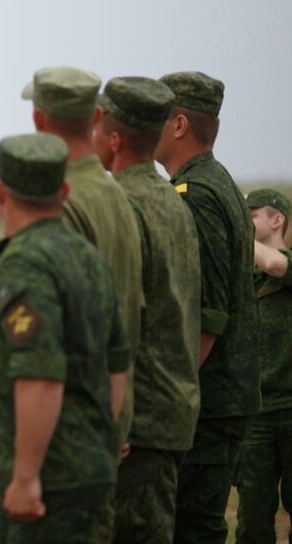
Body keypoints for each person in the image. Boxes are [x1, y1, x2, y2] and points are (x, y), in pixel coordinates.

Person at [0, 132, 129, 543]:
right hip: (83, 466)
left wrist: (26, 478)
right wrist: (99, 441)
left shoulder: (22, 269)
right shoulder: (86, 256)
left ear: (1, 190)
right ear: (65, 191)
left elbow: (40, 377)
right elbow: (116, 366)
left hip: (48, 480)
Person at [92, 76, 201, 543]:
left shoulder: (122, 205)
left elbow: (122, 321)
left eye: (96, 129)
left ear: (113, 139)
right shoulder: (171, 199)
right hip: (169, 413)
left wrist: (114, 421)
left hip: (136, 425)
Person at [155, 71, 260, 543]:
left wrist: (173, 395)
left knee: (192, 528)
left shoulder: (196, 195)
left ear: (178, 125)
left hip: (207, 400)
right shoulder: (212, 183)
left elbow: (209, 313)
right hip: (218, 395)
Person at [21, 66, 142, 440]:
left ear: (38, 117)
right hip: (111, 406)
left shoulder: (57, 197)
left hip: (70, 423)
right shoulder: (116, 192)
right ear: (95, 117)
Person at [235, 189, 292, 543]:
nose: (246, 220)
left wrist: (236, 227)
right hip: (255, 412)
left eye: (252, 215)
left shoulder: (284, 263)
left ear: (277, 220)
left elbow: (274, 265)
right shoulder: (243, 274)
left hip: (291, 409)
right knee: (252, 521)